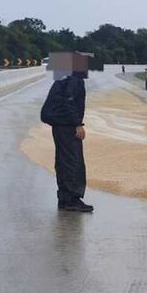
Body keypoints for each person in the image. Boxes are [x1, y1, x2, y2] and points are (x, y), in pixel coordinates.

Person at [43, 67, 93, 212]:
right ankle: (72, 199)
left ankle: (64, 199)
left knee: (63, 161)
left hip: (59, 125)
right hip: (67, 125)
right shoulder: (74, 80)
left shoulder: (64, 78)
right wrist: (77, 124)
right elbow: (69, 102)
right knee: (73, 161)